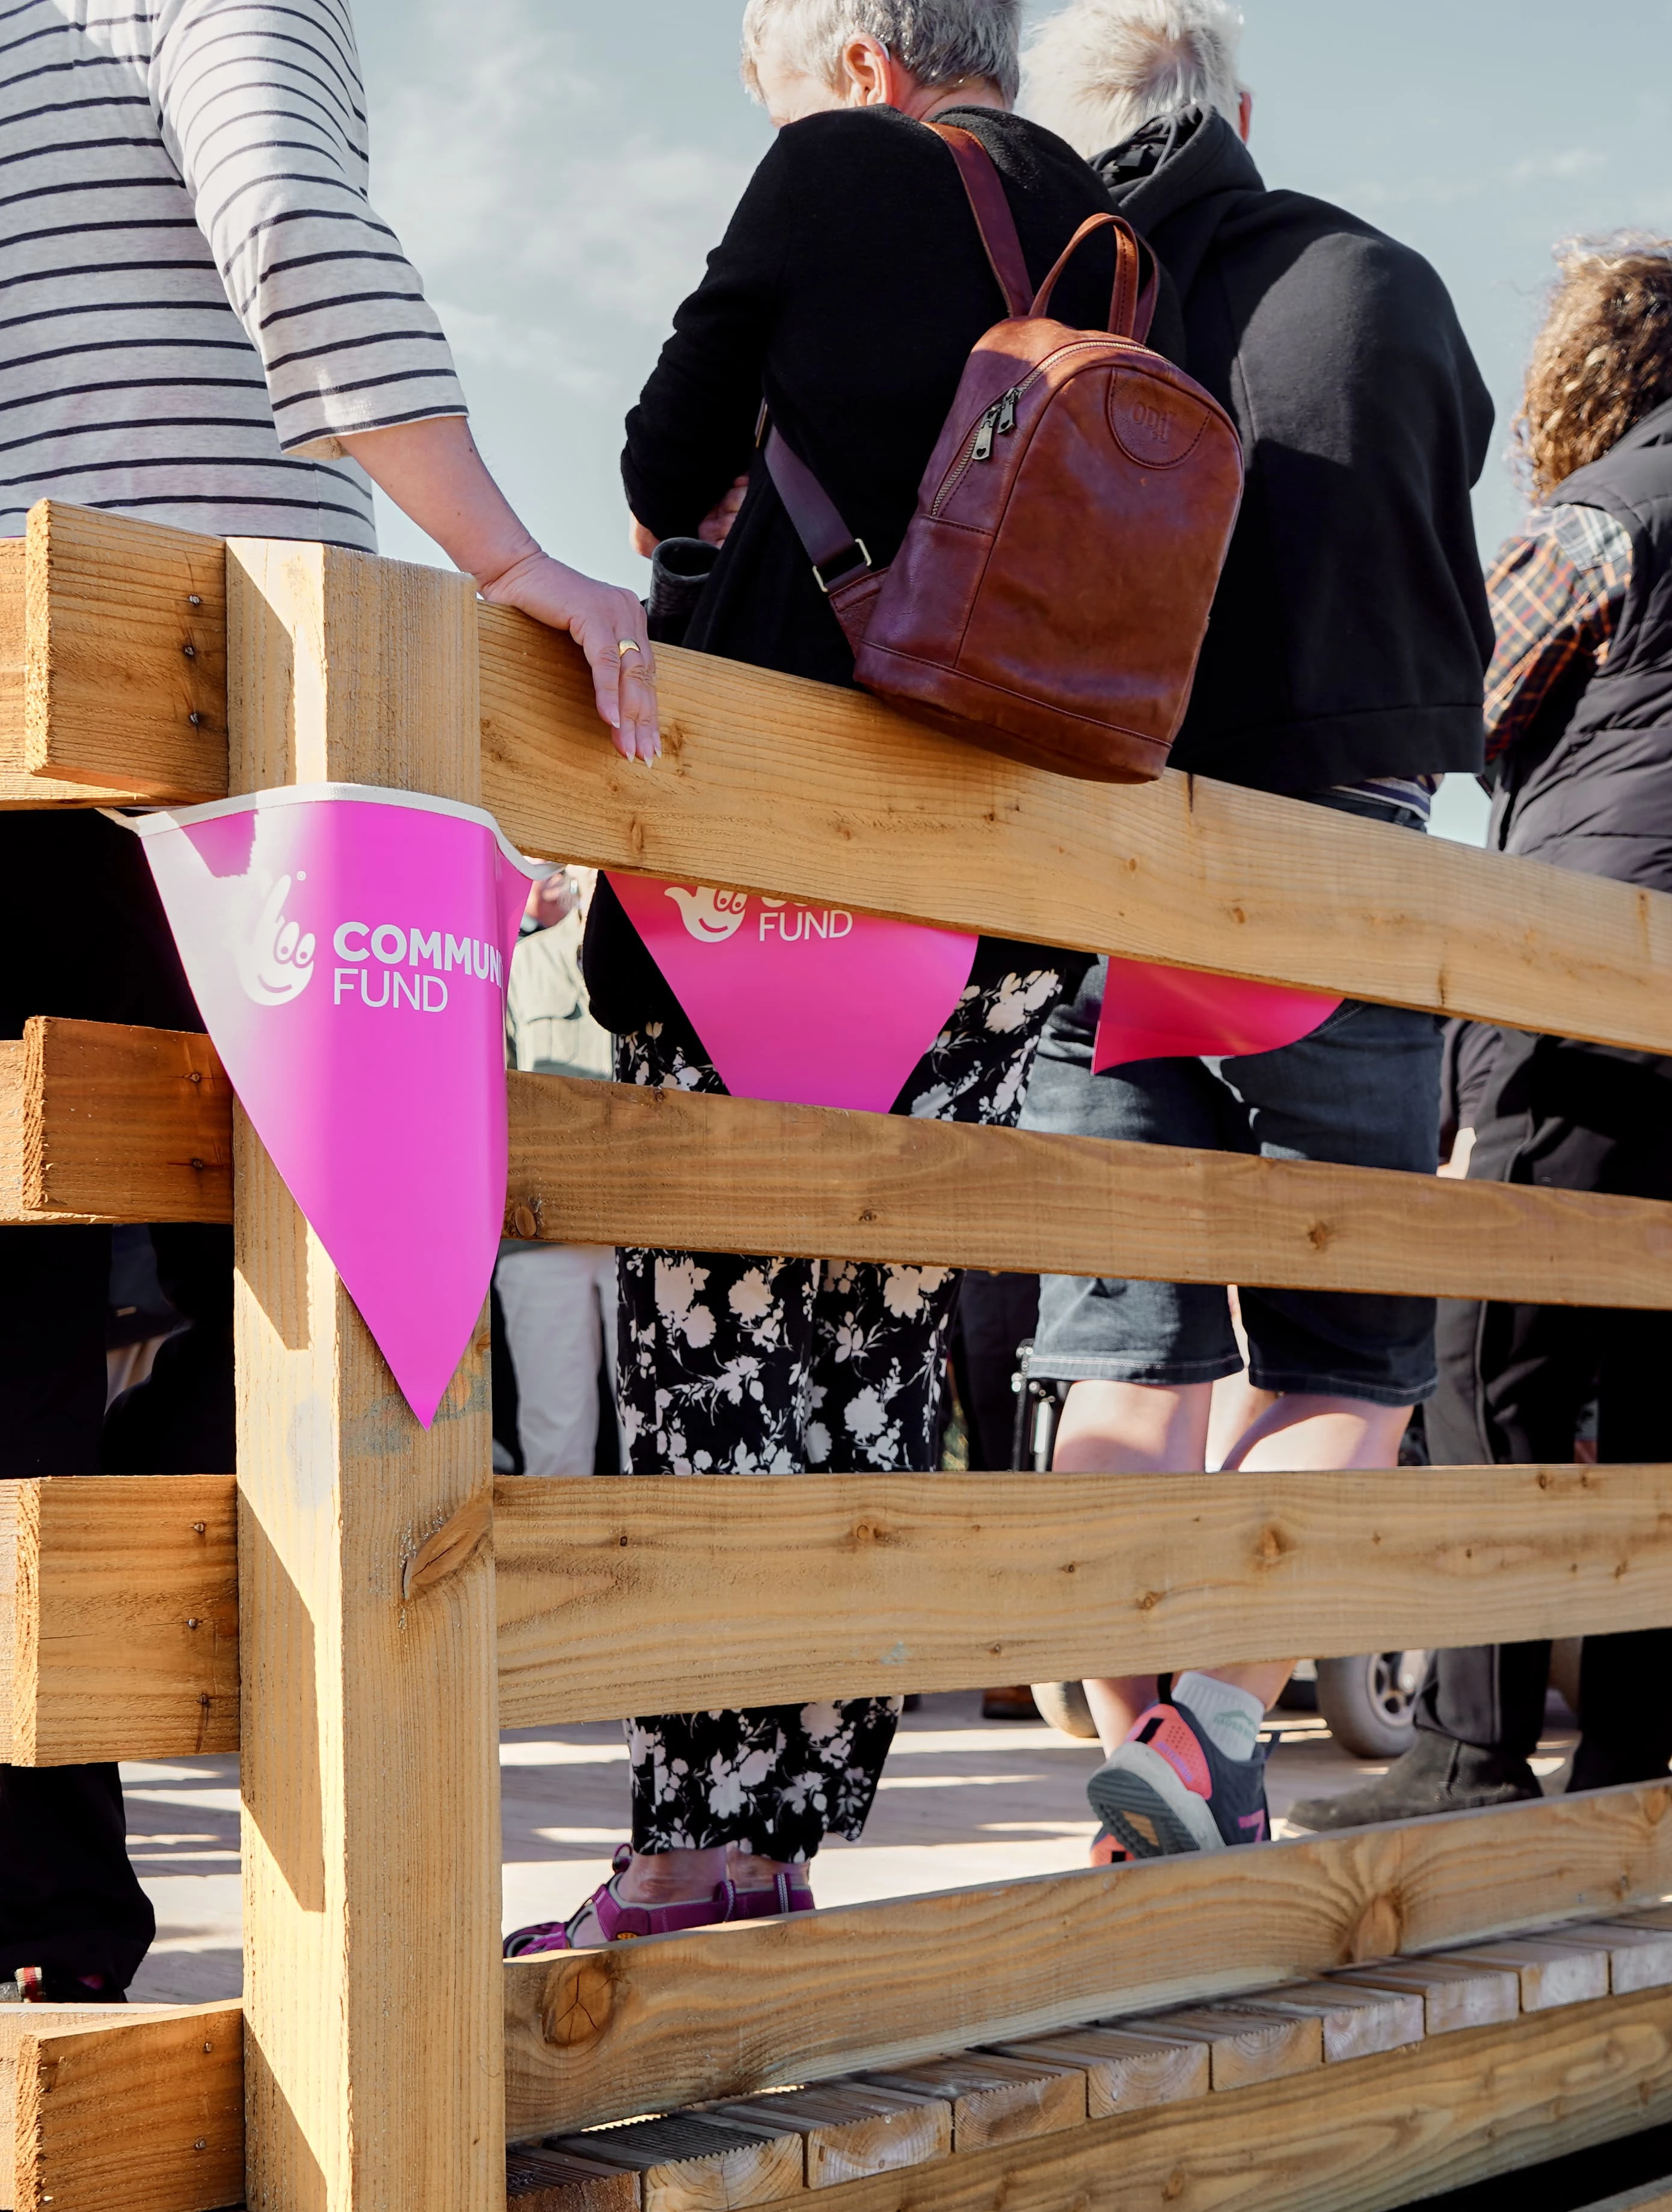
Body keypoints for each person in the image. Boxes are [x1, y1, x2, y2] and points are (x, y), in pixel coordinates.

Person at [0, 0, 652, 2002]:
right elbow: (293, 226)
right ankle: (356, 1936)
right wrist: (503, 556)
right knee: (357, 1299)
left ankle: (9, 1939)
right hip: (215, 714)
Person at [517, 0, 1102, 1952]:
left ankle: (691, 1850)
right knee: (871, 1336)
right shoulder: (1115, 238)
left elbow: (661, 458)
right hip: (1007, 877)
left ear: (857, 57)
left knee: (711, 1333)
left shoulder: (838, 166)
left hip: (784, 846)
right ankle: (787, 1839)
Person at [1303, 238, 1672, 1825]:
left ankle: (1468, 1752)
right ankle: (1640, 1763)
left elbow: (1460, 699)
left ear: (1602, 373)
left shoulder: (1607, 518)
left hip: (1584, 1013)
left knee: (1495, 1373)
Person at [1004, 0, 1496, 1858]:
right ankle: (1211, 1730)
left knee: (1121, 1348)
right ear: (1239, 108)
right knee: (1338, 1350)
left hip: (1100, 861)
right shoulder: (1375, 283)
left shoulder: (1051, 300)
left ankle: (1133, 1749)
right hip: (1335, 868)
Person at [497, 864, 619, 1478]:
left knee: (656, 1438)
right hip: (539, 1236)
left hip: (643, 1235)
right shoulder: (521, 965)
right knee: (555, 1444)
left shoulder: (657, 968)